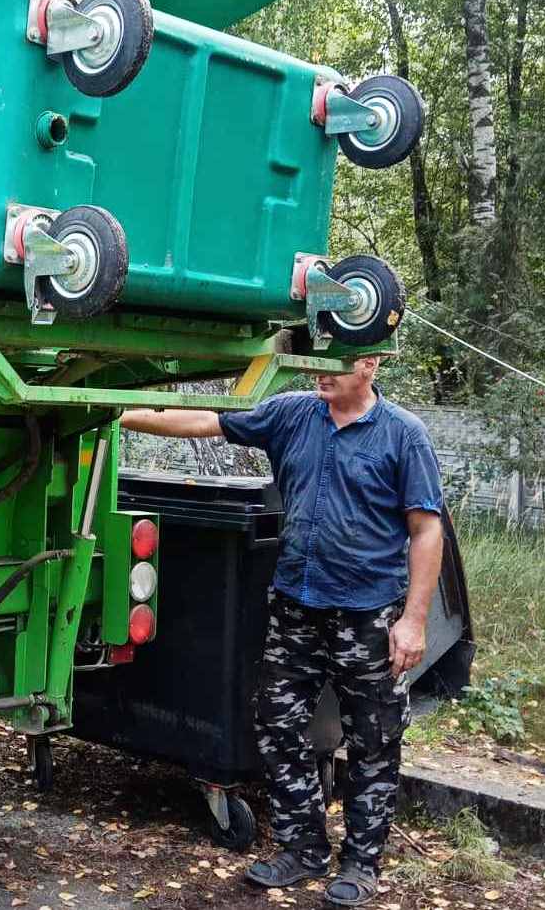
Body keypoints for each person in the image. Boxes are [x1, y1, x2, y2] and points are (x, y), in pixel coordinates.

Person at [122, 356, 444, 908]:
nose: (321, 374)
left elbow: (426, 528)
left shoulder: (403, 435)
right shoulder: (292, 414)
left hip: (369, 616)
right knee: (275, 726)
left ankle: (362, 864)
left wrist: (413, 620)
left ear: (369, 364)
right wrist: (118, 414)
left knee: (373, 742)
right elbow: (205, 423)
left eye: (337, 364)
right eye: (317, 363)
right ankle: (303, 848)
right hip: (297, 606)